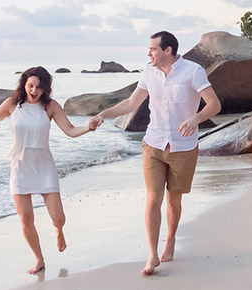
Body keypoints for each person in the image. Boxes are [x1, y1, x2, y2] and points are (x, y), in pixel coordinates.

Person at [89, 31, 221, 275]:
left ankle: (170, 238)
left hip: (183, 146)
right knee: (153, 198)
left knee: (174, 199)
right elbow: (130, 104)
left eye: (153, 49)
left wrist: (196, 119)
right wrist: (103, 115)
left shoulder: (193, 71)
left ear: (167, 50)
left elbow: (214, 104)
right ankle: (151, 254)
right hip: (153, 143)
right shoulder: (148, 73)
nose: (148, 53)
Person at [0, 66, 92, 274]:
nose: (34, 91)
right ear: (24, 85)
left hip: (44, 165)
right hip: (20, 166)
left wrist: (88, 128)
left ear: (46, 88)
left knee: (58, 216)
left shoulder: (50, 106)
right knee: (26, 218)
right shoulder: (12, 104)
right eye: (30, 86)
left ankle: (59, 231)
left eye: (39, 87)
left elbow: (71, 130)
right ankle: (39, 259)